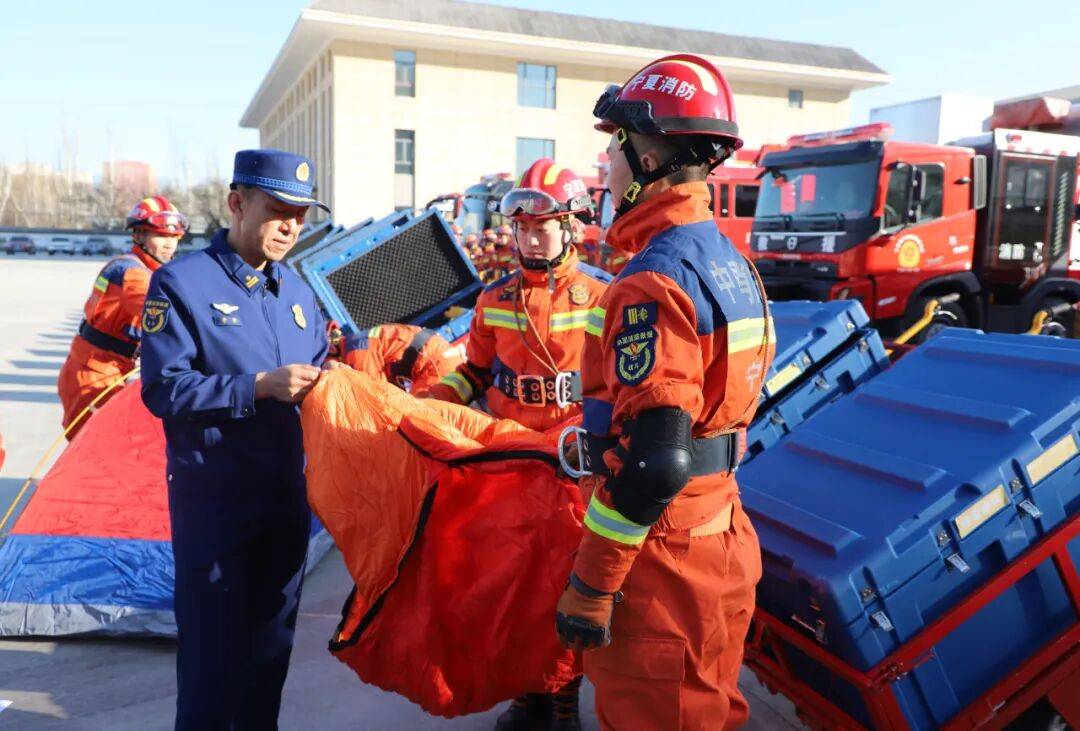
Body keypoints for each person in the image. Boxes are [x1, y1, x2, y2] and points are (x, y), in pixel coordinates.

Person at [553, 55, 776, 731]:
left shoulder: (653, 281)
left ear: (647, 156)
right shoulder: (729, 262)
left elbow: (656, 460)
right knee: (709, 708)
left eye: (613, 147)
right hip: (722, 534)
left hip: (665, 557)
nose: (605, 167)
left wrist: (593, 581)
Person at [140, 149, 334, 730]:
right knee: (211, 666)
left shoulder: (299, 296)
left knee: (268, 658)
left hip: (285, 506)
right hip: (216, 507)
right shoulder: (181, 284)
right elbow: (164, 391)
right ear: (236, 203)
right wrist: (258, 387)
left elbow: (322, 376)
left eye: (299, 216)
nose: (289, 227)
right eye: (278, 211)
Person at [427, 158, 611, 731]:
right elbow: (474, 374)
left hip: (574, 470)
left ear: (570, 227)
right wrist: (434, 401)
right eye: (523, 228)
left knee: (565, 586)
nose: (531, 237)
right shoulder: (494, 299)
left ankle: (563, 696)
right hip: (509, 466)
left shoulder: (606, 296)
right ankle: (529, 691)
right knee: (511, 583)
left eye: (543, 225)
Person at [57, 196, 187, 438]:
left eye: (173, 237)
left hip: (103, 369)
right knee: (98, 457)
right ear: (138, 235)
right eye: (161, 236)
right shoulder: (133, 274)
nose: (170, 245)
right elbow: (164, 317)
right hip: (96, 377)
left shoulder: (139, 268)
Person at [340, 322, 464, 395]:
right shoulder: (360, 346)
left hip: (437, 367)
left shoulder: (357, 355)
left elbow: (378, 394)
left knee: (416, 417)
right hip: (444, 364)